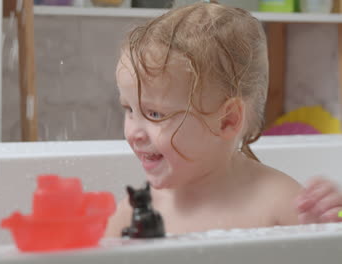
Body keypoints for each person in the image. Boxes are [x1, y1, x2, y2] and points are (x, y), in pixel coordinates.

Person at [105, 0, 342, 237]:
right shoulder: (136, 211)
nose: (134, 132)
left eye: (155, 114)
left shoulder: (281, 203)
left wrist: (321, 229)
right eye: (129, 110)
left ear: (226, 120)